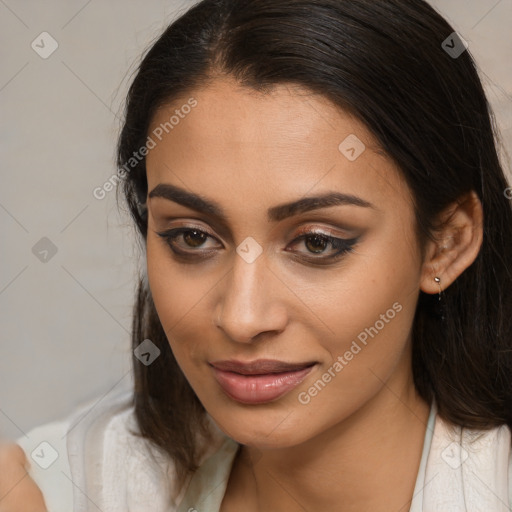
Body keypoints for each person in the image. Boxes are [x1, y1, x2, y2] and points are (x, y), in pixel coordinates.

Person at [1, 0, 511, 510]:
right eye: (193, 237)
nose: (242, 319)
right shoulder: (52, 490)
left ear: (446, 243)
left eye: (317, 242)